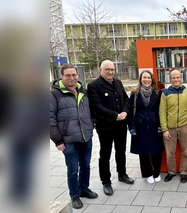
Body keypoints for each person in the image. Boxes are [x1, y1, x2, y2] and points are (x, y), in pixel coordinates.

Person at [50, 64, 98, 209]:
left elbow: (91, 111)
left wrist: (92, 124)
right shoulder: (54, 94)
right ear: (62, 76)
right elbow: (49, 118)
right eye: (68, 75)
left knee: (86, 165)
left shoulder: (83, 91)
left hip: (85, 137)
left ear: (77, 75)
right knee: (72, 169)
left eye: (74, 75)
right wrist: (57, 139)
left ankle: (84, 188)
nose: (71, 78)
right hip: (68, 139)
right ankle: (74, 195)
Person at [87, 60, 134, 196]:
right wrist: (115, 116)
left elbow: (126, 99)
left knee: (120, 151)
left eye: (112, 69)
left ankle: (122, 174)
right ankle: (106, 181)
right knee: (105, 154)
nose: (110, 72)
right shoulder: (94, 86)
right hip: (105, 126)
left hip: (120, 125)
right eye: (107, 69)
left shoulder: (117, 83)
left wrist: (125, 112)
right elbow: (96, 106)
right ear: (100, 70)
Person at [128, 70, 164, 184]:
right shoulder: (134, 93)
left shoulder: (158, 93)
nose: (146, 80)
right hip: (140, 126)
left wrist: (160, 125)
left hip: (154, 125)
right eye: (144, 77)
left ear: (152, 79)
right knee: (143, 151)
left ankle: (157, 172)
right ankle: (148, 173)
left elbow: (161, 110)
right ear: (141, 79)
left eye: (149, 77)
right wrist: (132, 127)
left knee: (156, 150)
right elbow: (130, 111)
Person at [159, 68, 187, 183]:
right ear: (171, 79)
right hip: (170, 128)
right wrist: (164, 129)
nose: (176, 79)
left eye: (178, 77)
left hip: (185, 125)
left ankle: (184, 172)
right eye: (173, 77)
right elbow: (162, 112)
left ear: (181, 78)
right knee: (170, 152)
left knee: (186, 151)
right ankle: (171, 171)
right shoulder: (165, 93)